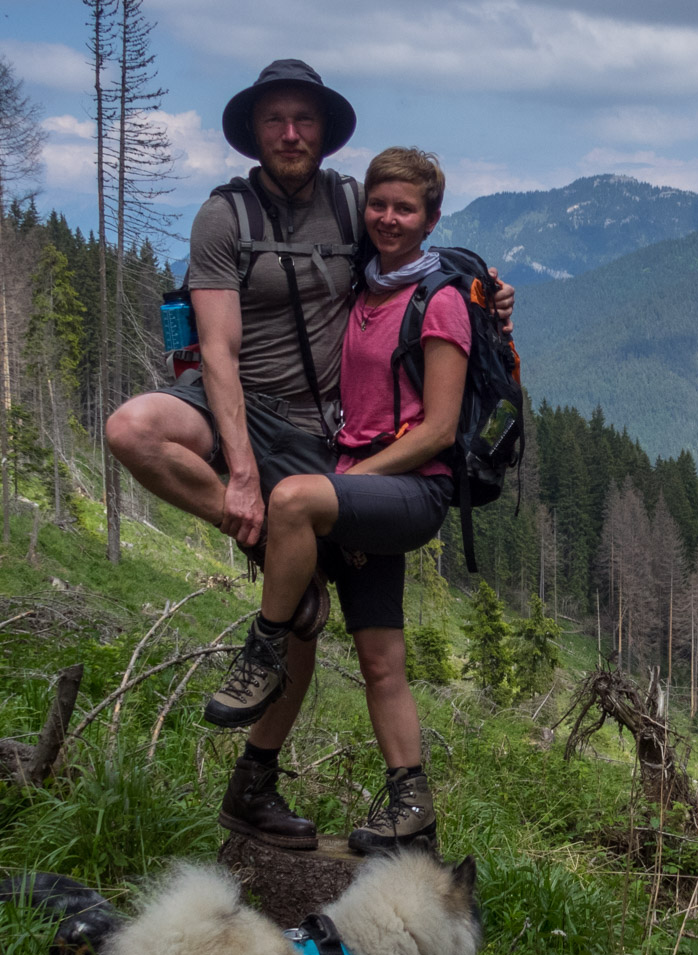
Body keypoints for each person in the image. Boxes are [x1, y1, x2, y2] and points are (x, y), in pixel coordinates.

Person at [104, 61, 509, 853]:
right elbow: (214, 347)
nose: (291, 134)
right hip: (246, 414)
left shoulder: (353, 205)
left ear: (325, 132)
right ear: (254, 131)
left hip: (335, 443)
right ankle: (266, 557)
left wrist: (489, 290)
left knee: (335, 638)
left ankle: (258, 788)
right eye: (275, 121)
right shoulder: (224, 217)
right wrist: (244, 480)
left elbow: (412, 252)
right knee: (132, 428)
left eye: (305, 121)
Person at [246, 146, 466, 854]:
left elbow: (438, 429)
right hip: (359, 490)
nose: (389, 219)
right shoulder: (363, 288)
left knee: (291, 501)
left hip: (406, 491)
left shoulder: (442, 301)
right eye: (379, 204)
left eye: (406, 208)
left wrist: (355, 480)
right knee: (378, 658)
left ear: (430, 219)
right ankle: (406, 810)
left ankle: (259, 649)